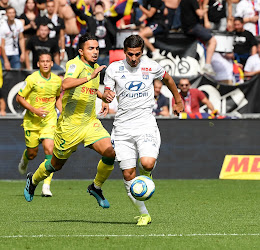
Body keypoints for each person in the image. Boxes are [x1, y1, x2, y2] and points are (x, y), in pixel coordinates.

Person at [23, 33, 116, 209]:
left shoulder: (94, 67)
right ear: (81, 51)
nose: (95, 52)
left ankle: (96, 187)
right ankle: (33, 180)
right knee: (55, 165)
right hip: (69, 125)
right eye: (90, 48)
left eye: (97, 48)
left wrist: (103, 96)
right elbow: (66, 84)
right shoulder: (75, 64)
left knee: (110, 152)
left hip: (90, 122)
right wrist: (90, 76)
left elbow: (91, 88)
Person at [102, 35, 184, 226]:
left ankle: (147, 177)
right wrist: (106, 97)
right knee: (128, 175)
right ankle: (144, 214)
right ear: (124, 52)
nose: (133, 58)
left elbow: (169, 79)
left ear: (142, 52)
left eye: (137, 54)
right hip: (122, 128)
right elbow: (107, 91)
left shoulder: (151, 66)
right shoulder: (114, 69)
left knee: (146, 163)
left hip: (145, 124)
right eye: (130, 54)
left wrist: (178, 100)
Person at [16, 50, 62, 197]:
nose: (45, 64)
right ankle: (25, 159)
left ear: (52, 63)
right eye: (43, 61)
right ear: (38, 64)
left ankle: (46, 186)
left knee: (50, 151)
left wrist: (62, 112)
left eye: (48, 61)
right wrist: (34, 110)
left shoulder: (57, 80)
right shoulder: (31, 79)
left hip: (49, 121)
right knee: (32, 153)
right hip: (32, 122)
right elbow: (19, 97)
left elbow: (57, 98)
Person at [70, 0, 116, 66]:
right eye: (97, 8)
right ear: (94, 11)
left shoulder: (108, 21)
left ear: (103, 10)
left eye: (101, 8)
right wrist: (73, 5)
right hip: (94, 53)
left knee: (105, 73)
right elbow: (79, 14)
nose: (99, 9)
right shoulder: (91, 20)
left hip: (106, 53)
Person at [180, 0, 217, 76]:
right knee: (213, 41)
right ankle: (207, 65)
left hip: (186, 27)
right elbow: (200, 13)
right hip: (193, 27)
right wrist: (205, 8)